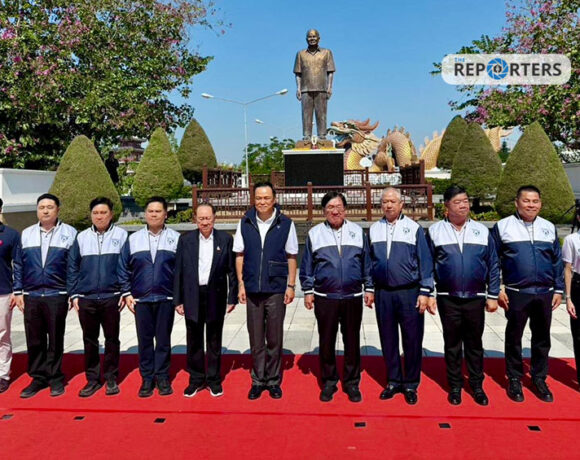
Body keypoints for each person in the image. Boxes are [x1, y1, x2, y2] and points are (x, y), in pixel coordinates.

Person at [427, 186, 500, 406]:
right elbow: (427, 266)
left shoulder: (481, 231)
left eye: (466, 201)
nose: (463, 205)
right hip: (447, 297)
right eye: (457, 202)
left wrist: (493, 294)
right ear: (446, 206)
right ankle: (455, 386)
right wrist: (429, 293)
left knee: (474, 344)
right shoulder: (435, 231)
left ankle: (477, 385)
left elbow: (493, 264)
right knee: (452, 344)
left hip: (475, 297)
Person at [300, 192, 374, 402]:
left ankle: (352, 383)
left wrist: (369, 287)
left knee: (352, 340)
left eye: (339, 207)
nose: (335, 211)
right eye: (330, 207)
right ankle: (329, 381)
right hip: (325, 296)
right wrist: (308, 290)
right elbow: (307, 265)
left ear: (345, 209)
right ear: (324, 211)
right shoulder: (315, 234)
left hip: (352, 295)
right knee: (326, 340)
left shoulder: (358, 232)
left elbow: (366, 263)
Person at [492, 185, 563, 403]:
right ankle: (514, 378)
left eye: (535, 201)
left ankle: (539, 378)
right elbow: (493, 260)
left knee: (542, 337)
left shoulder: (548, 227)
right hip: (516, 292)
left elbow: (556, 261)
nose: (531, 205)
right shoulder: (503, 227)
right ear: (517, 202)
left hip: (544, 292)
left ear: (540, 203)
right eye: (526, 201)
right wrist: (497, 288)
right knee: (514, 336)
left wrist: (559, 289)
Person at [369, 187, 433, 405]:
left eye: (392, 201)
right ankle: (393, 380)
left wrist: (425, 291)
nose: (388, 205)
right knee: (388, 338)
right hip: (383, 293)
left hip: (409, 292)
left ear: (401, 204)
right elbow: (370, 262)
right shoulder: (374, 229)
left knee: (412, 339)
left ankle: (411, 383)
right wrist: (369, 288)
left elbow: (425, 262)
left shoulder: (414, 229)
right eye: (384, 202)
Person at [234, 182, 298, 400]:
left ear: (274, 199)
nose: (262, 202)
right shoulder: (245, 222)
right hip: (252, 287)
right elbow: (239, 254)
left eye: (266, 198)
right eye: (259, 198)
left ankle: (273, 380)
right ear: (254, 199)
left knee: (274, 337)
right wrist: (241, 284)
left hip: (276, 288)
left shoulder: (285, 223)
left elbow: (291, 256)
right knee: (256, 337)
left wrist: (291, 285)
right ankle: (258, 380)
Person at [13, 193, 77, 398]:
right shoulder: (26, 234)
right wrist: (18, 291)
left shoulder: (70, 233)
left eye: (50, 207)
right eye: (42, 207)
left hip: (57, 294)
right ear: (37, 210)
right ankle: (38, 377)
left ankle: (55, 378)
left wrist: (72, 292)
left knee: (56, 338)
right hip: (31, 294)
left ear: (58, 209)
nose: (46, 211)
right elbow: (18, 265)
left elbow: (73, 267)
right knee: (34, 339)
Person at [174, 203, 237, 398]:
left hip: (215, 295)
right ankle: (196, 379)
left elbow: (232, 271)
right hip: (192, 294)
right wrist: (178, 300)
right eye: (201, 218)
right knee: (194, 339)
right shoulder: (186, 240)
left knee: (214, 339)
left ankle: (214, 380)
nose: (204, 222)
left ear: (214, 218)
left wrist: (232, 297)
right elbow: (178, 271)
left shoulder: (225, 239)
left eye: (208, 218)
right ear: (195, 220)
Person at [118, 197, 179, 397]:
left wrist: (179, 297)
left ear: (165, 214)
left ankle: (162, 377)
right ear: (145, 214)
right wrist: (127, 293)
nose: (154, 214)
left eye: (158, 211)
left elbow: (181, 270)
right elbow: (123, 268)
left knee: (163, 340)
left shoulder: (176, 238)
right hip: (141, 300)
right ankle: (146, 378)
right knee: (144, 341)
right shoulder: (133, 239)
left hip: (166, 298)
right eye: (150, 211)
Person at [68, 197, 128, 398]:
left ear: (111, 214)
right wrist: (74, 294)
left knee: (112, 339)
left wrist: (124, 291)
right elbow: (72, 267)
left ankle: (111, 377)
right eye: (95, 213)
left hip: (112, 297)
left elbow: (126, 266)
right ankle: (92, 379)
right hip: (87, 298)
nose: (99, 216)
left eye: (103, 213)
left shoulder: (122, 236)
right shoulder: (81, 237)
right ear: (91, 215)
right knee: (89, 340)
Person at [294, 29, 335, 140]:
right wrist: (298, 88)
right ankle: (306, 135)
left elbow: (330, 71)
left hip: (321, 88)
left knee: (321, 114)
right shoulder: (300, 54)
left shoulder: (326, 52)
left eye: (314, 36)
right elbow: (298, 73)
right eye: (309, 37)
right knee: (306, 114)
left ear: (319, 39)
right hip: (305, 89)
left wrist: (329, 87)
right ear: (306, 39)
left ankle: (322, 135)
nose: (312, 39)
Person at [0, 198, 21, 393]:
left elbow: (18, 264)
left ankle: (3, 374)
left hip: (3, 292)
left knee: (2, 335)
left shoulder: (11, 235)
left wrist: (17, 290)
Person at [563, 201, 580, 387]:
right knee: (579, 335)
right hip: (578, 287)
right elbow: (568, 269)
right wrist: (568, 298)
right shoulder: (571, 240)